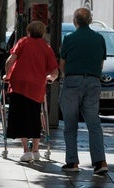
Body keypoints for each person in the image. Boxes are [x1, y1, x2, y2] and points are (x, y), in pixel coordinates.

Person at [59, 8, 109, 174]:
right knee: (94, 123)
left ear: (75, 21)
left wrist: (68, 77)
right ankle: (100, 162)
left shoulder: (69, 38)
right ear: (90, 21)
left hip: (73, 81)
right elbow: (101, 64)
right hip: (93, 81)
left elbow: (62, 64)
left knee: (70, 124)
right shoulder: (99, 38)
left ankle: (72, 163)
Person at [3, 21, 59, 162]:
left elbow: (10, 61)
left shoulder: (23, 42)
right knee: (35, 116)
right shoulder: (47, 48)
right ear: (42, 33)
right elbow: (55, 71)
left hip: (18, 85)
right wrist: (50, 78)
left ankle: (26, 151)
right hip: (36, 88)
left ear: (29, 31)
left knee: (20, 116)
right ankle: (35, 150)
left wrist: (7, 75)